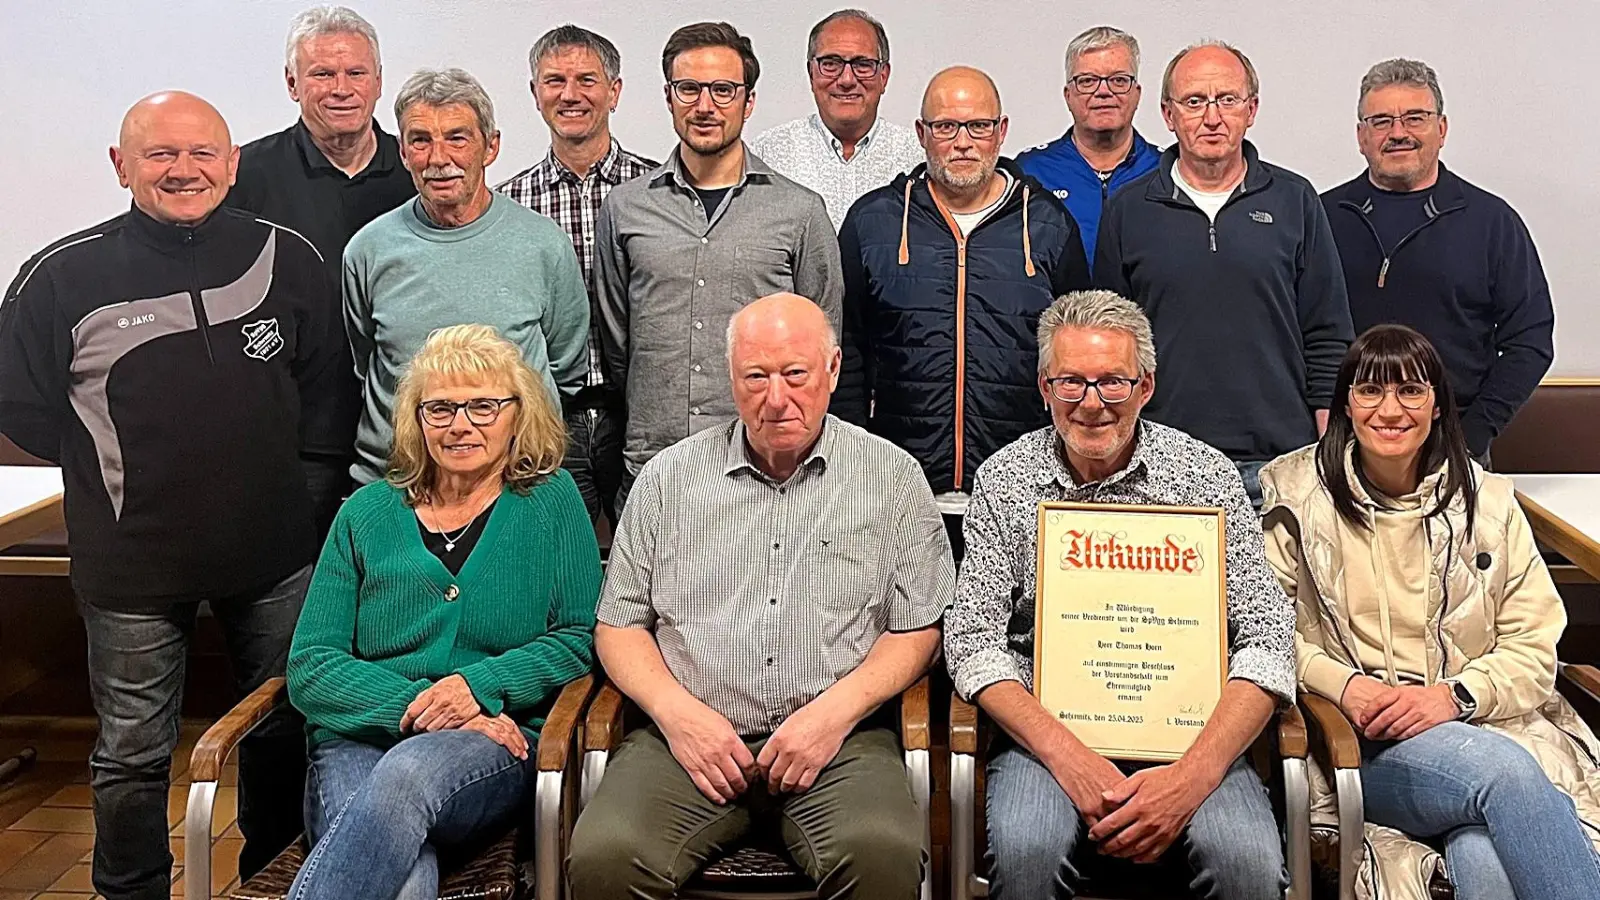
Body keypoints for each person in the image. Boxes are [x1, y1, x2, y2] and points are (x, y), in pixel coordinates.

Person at [0, 91, 349, 898]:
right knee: (132, 755)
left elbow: (326, 397)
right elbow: (22, 408)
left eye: (202, 153)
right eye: (160, 154)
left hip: (272, 556)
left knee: (283, 732)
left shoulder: (288, 257)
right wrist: (118, 474)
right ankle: (132, 891)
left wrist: (292, 500)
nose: (183, 170)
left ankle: (273, 880)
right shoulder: (61, 275)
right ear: (121, 166)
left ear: (232, 163)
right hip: (131, 563)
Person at [568, 293, 953, 900]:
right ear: (731, 378)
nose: (776, 399)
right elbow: (619, 625)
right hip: (688, 741)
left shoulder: (892, 478)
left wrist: (832, 717)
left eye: (795, 374)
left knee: (881, 853)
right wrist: (677, 717)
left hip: (839, 741)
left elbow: (920, 629)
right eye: (756, 377)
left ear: (832, 369)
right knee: (605, 856)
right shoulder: (667, 479)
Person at [944, 290, 1294, 899]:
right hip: (1047, 733)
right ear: (1045, 387)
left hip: (1192, 733)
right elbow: (973, 641)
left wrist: (1191, 777)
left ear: (1145, 386)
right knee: (1028, 852)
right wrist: (1070, 757)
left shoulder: (1205, 476)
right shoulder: (1005, 478)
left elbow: (1267, 637)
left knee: (1247, 864)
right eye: (1071, 382)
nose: (1091, 403)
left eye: (1112, 382)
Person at [1260, 324, 1600, 898]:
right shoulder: (1294, 498)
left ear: (1438, 405)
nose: (1390, 410)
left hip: (1484, 724)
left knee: (1482, 851)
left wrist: (1453, 697)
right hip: (1361, 745)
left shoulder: (1489, 504)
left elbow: (1534, 645)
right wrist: (1346, 686)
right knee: (1504, 774)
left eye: (1411, 391)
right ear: (1346, 403)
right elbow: (1265, 631)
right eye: (1371, 391)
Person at [286, 324, 600, 900]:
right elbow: (311, 666)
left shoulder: (550, 503)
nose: (461, 425)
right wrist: (426, 707)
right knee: (407, 879)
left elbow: (579, 637)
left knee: (404, 778)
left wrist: (478, 686)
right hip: (357, 739)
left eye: (483, 406)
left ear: (517, 413)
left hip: (492, 743)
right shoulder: (364, 513)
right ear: (417, 419)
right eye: (441, 409)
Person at [1095, 40, 1354, 505]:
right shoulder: (1128, 210)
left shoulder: (1295, 201)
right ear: (1168, 114)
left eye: (1227, 99)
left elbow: (1327, 333)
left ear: (1251, 109)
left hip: (1281, 465)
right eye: (1194, 101)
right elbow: (1110, 347)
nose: (1211, 117)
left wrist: (1329, 453)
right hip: (1161, 464)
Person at [596, 21, 842, 508]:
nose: (705, 106)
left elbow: (824, 341)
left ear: (748, 102)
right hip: (653, 467)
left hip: (769, 471)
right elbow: (618, 343)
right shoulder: (625, 208)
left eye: (723, 90)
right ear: (669, 97)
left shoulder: (800, 212)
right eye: (689, 88)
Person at [836, 65, 1091, 514]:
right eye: (946, 127)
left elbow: (1078, 356)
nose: (963, 142)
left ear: (1001, 131)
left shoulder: (1047, 225)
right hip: (896, 490)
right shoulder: (873, 223)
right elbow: (846, 350)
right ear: (921, 133)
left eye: (978, 126)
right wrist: (856, 461)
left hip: (1019, 492)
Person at [344, 67, 588, 486]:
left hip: (517, 484)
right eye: (421, 140)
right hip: (397, 484)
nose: (439, 159)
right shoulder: (368, 250)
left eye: (457, 138)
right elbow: (367, 365)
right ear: (403, 152)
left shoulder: (543, 244)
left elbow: (566, 368)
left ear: (491, 147)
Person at [229, 5, 415, 526]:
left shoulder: (417, 172)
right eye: (322, 74)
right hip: (288, 442)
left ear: (378, 81)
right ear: (292, 83)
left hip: (405, 438)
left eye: (356, 72)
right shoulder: (245, 177)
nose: (341, 89)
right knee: (290, 576)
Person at [1322, 60, 1554, 461]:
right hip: (1344, 444)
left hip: (1454, 444)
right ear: (1361, 136)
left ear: (1441, 129)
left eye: (1415, 118)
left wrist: (1473, 434)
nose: (1398, 133)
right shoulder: (1320, 218)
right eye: (1381, 121)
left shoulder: (1491, 222)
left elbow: (1530, 341)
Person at [495, 25, 657, 528]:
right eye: (554, 81)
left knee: (662, 554)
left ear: (615, 91)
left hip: (642, 409)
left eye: (586, 80)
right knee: (557, 555)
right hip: (548, 415)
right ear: (535, 93)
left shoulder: (661, 191)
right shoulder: (506, 205)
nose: (570, 94)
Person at [747, 9, 924, 229]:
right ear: (811, 73)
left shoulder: (918, 158)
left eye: (862, 64)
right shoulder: (767, 155)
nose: (847, 80)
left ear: (883, 76)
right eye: (831, 63)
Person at [1018, 25, 1161, 268]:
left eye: (1118, 80)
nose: (1103, 91)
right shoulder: (1029, 173)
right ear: (1068, 95)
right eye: (1087, 81)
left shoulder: (1167, 171)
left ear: (1137, 94)